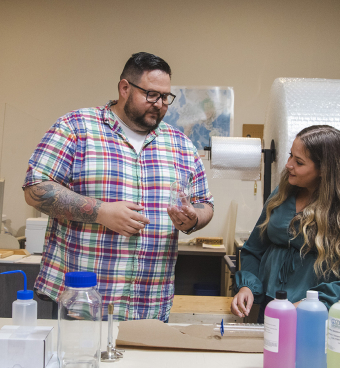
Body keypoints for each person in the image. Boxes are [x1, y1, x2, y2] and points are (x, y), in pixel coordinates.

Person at [23, 52, 214, 322]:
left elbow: (206, 204)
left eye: (165, 97)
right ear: (125, 88)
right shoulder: (76, 127)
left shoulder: (180, 144)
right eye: (151, 94)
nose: (159, 104)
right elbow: (35, 188)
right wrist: (101, 212)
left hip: (151, 306)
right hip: (83, 304)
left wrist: (193, 219)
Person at [231, 125, 340, 322]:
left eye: (299, 162)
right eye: (290, 155)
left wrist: (307, 306)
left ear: (324, 170)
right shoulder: (282, 194)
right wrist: (247, 286)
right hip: (272, 307)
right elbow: (253, 249)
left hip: (319, 316)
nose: (288, 165)